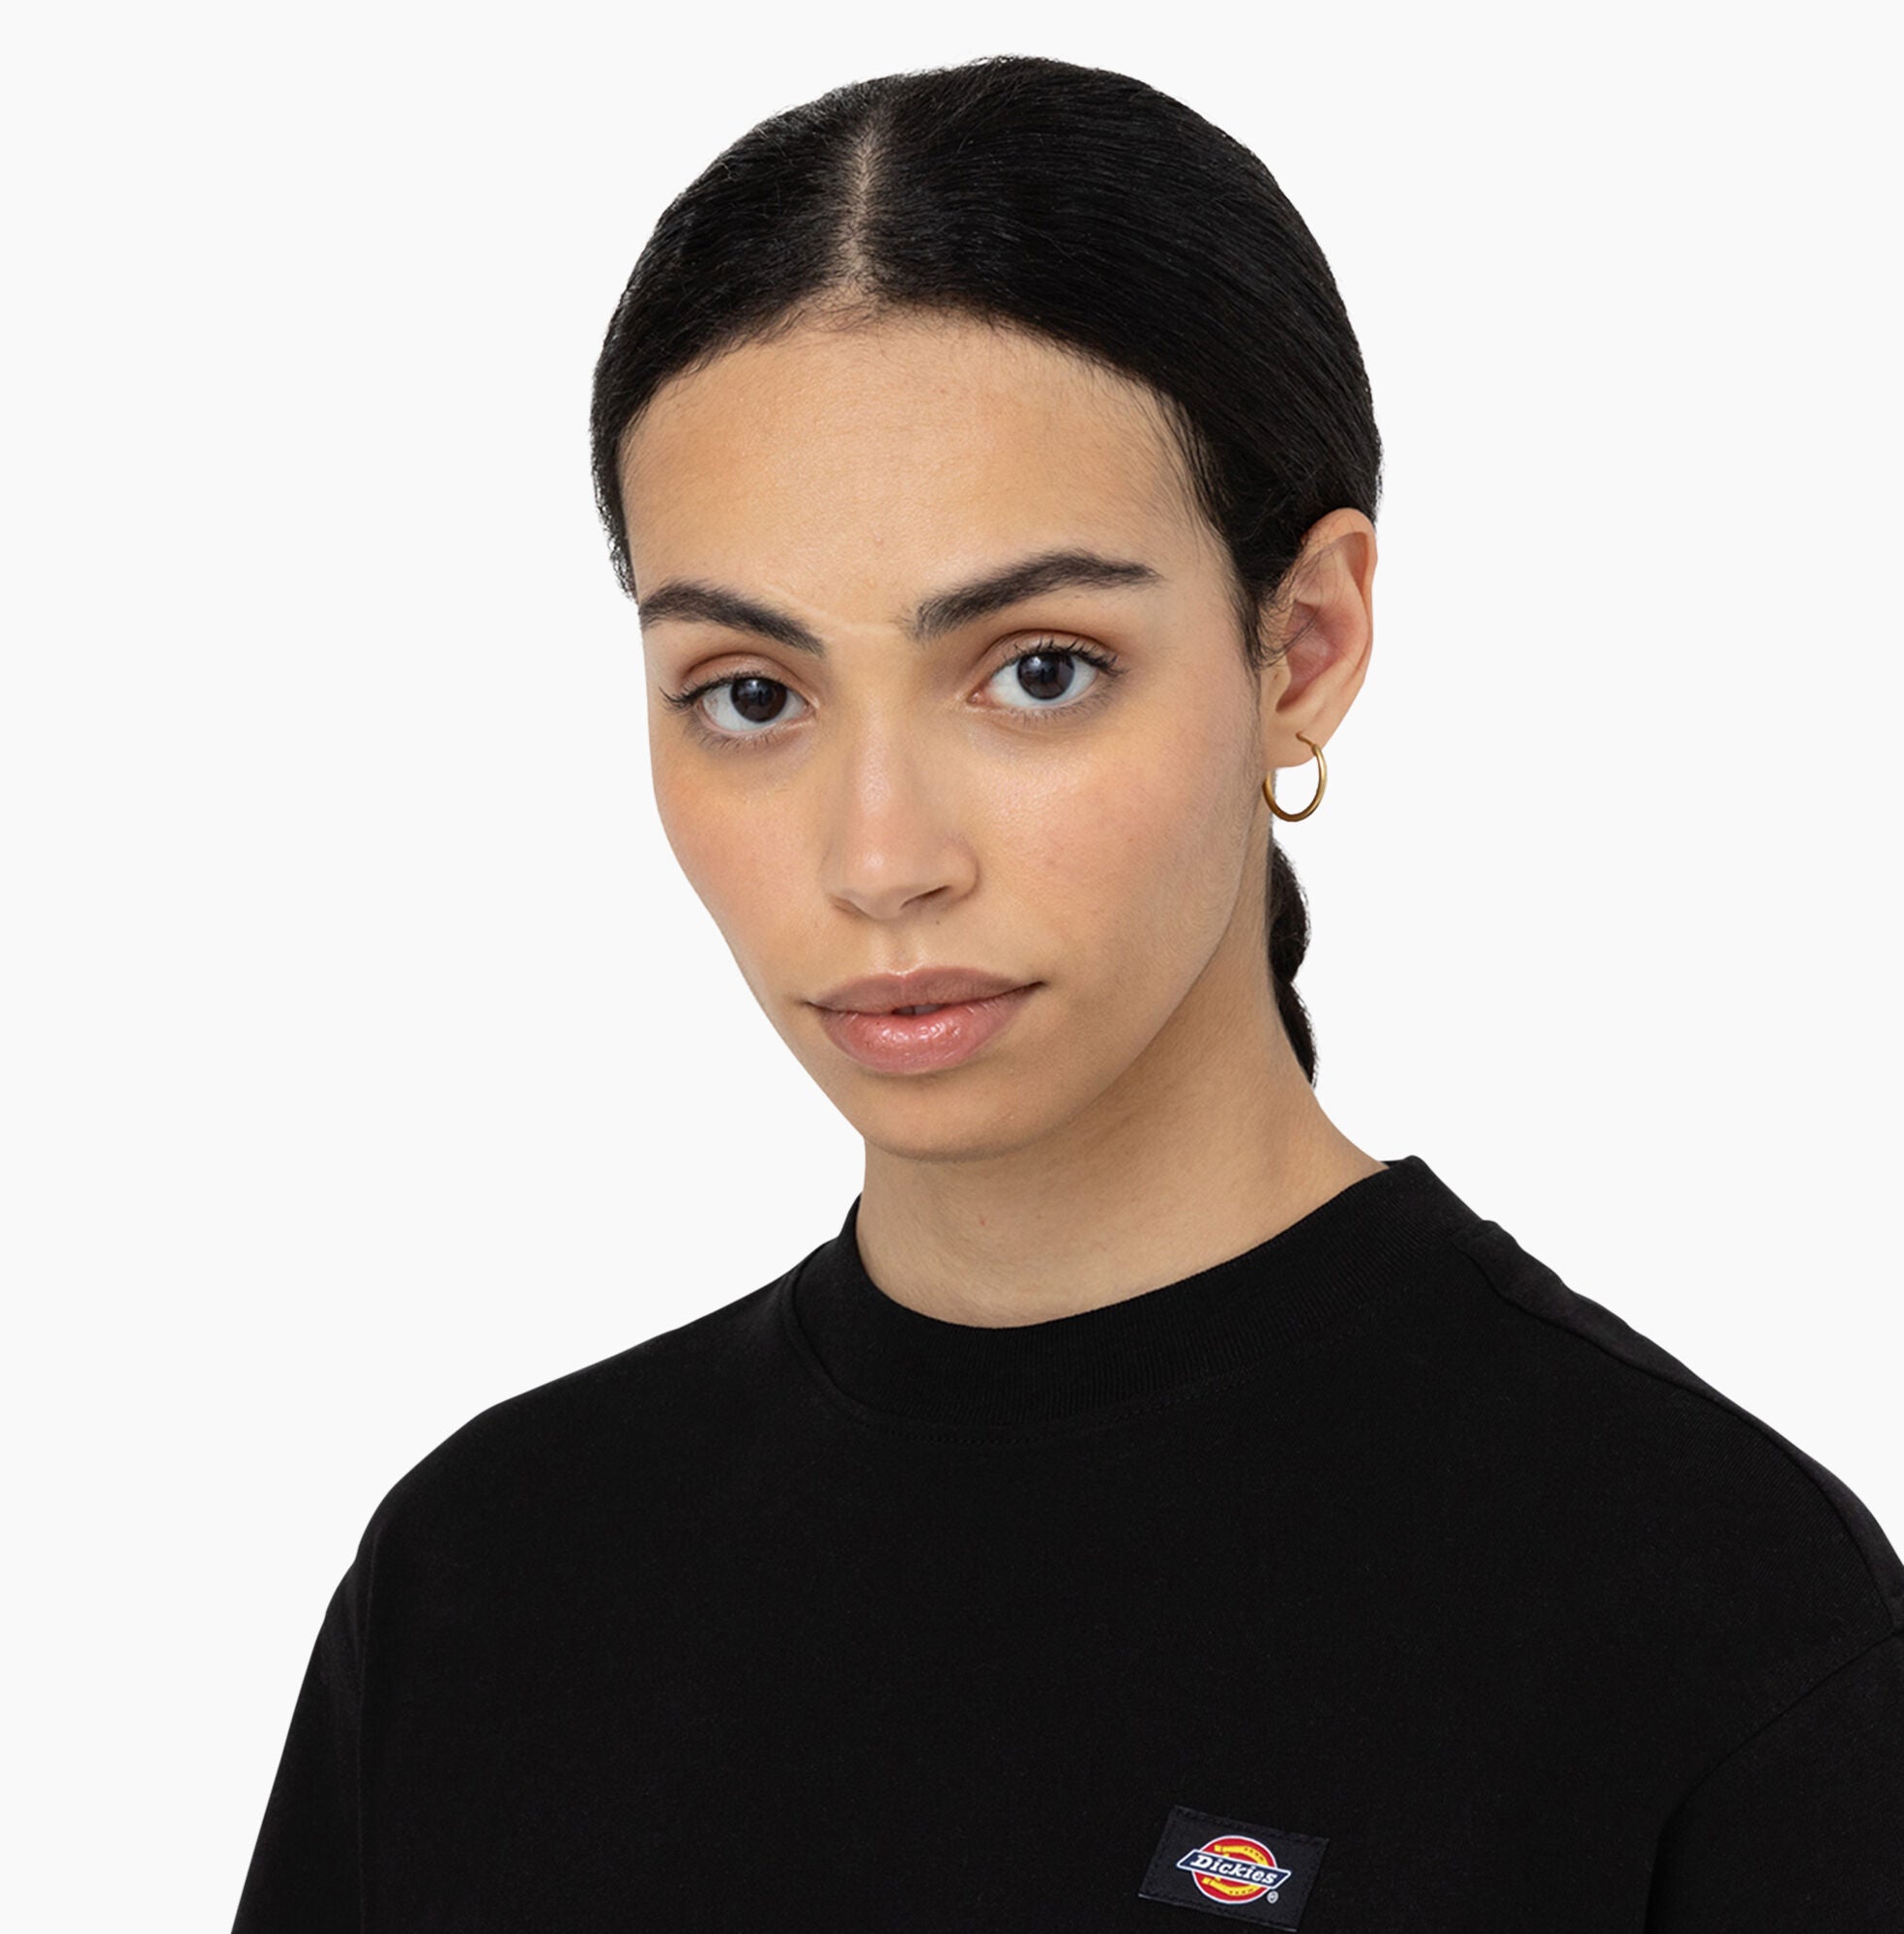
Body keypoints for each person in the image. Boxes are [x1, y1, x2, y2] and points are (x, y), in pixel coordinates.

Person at [231, 53, 1903, 1932]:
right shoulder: (485, 1582)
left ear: (1304, 646)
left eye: (1037, 670)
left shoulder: (1712, 1630)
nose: (881, 857)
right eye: (752, 695)